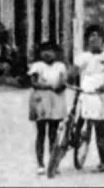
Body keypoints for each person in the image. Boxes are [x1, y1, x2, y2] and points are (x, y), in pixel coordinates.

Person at [75, 25, 104, 173]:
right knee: (98, 129)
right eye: (91, 36)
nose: (94, 39)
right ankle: (103, 161)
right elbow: (73, 71)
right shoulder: (84, 57)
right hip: (90, 95)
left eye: (97, 36)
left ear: (103, 39)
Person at [27, 40, 69, 173]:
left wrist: (60, 86)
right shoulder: (37, 66)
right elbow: (34, 83)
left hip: (56, 101)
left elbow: (63, 82)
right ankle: (40, 164)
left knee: (53, 133)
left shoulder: (60, 66)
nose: (47, 54)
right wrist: (49, 86)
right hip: (41, 101)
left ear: (55, 53)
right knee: (41, 133)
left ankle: (52, 162)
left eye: (50, 51)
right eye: (44, 51)